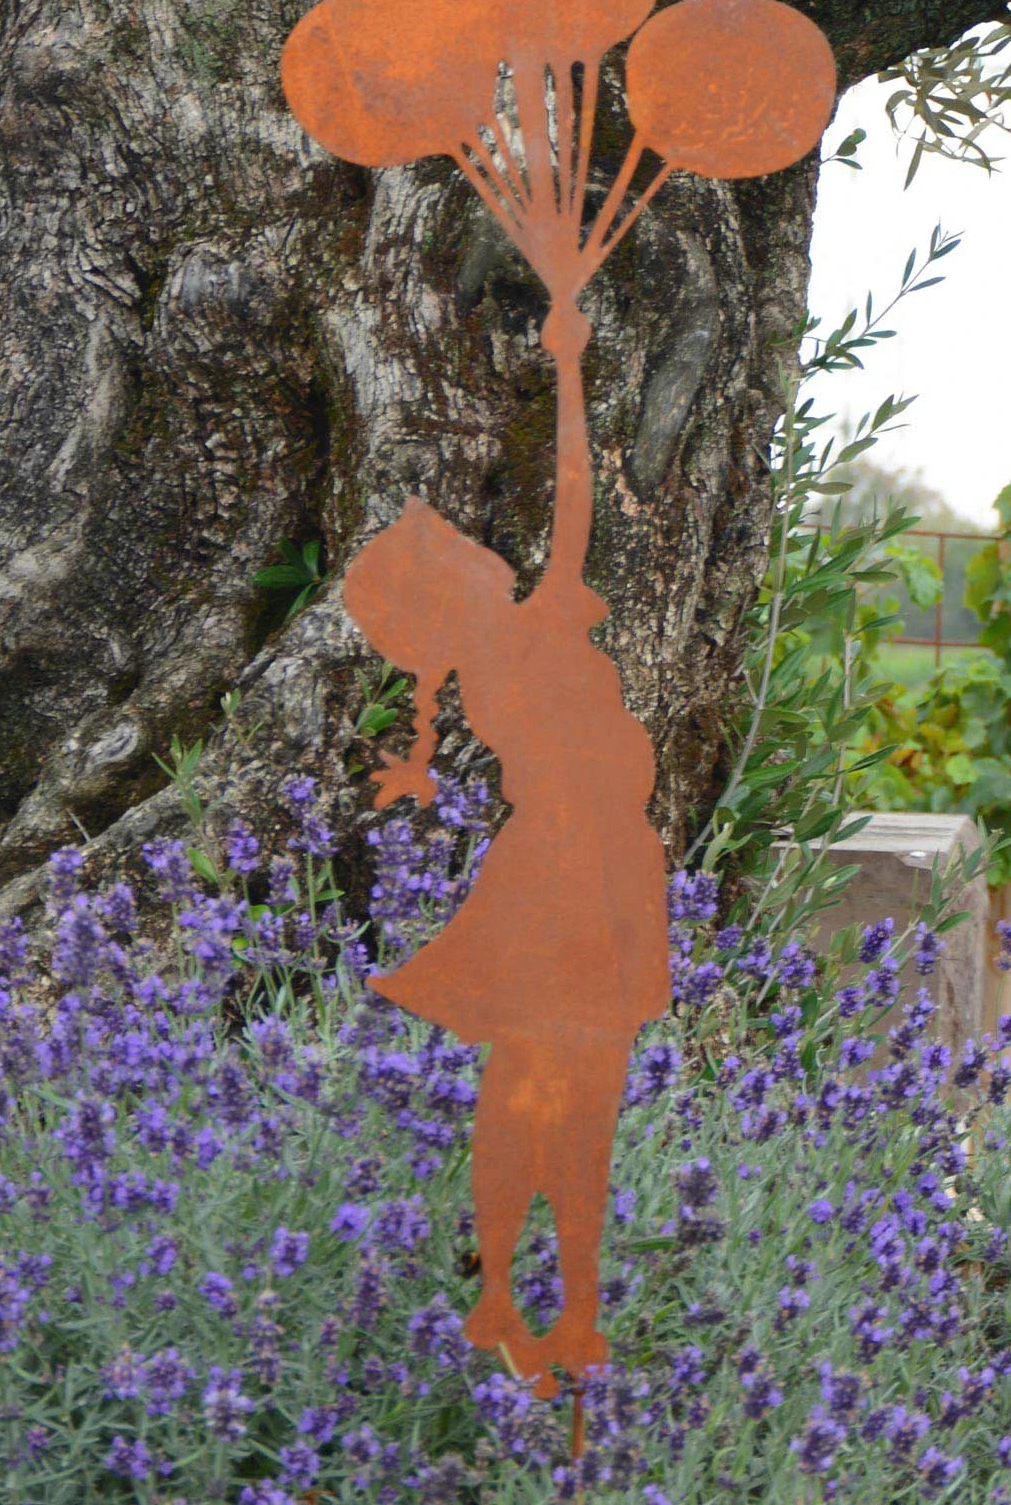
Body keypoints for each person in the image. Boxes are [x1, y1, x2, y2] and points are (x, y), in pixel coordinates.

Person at [343, 494, 670, 1387]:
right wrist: (566, 371)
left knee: (534, 1083)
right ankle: (560, 1307)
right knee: (570, 1089)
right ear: (446, 590)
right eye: (448, 544)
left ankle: (523, 1297)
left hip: (595, 869)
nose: (468, 540)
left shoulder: (495, 649)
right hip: (579, 875)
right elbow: (574, 509)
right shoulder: (525, 633)